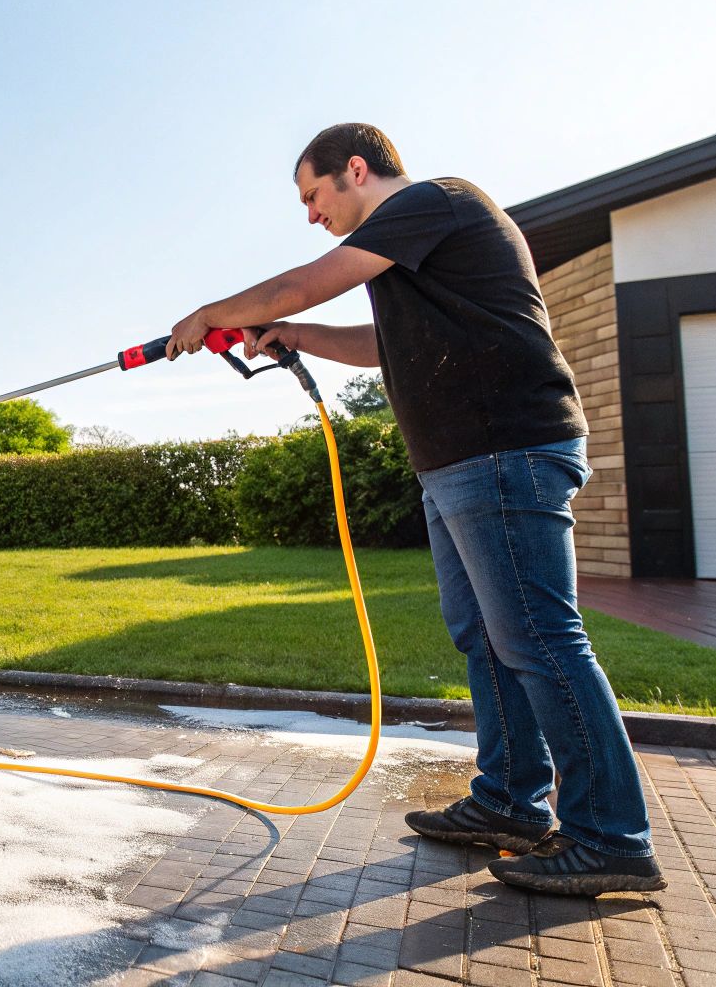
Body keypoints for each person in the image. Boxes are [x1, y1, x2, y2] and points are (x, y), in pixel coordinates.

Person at [163, 123, 663, 896]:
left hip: (504, 449)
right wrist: (291, 332)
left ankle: (611, 837)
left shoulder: (440, 202)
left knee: (538, 638)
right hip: (460, 464)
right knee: (489, 641)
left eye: (313, 195)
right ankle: (509, 803)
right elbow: (380, 346)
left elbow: (305, 279)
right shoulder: (409, 251)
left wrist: (209, 312)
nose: (310, 214)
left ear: (355, 169)